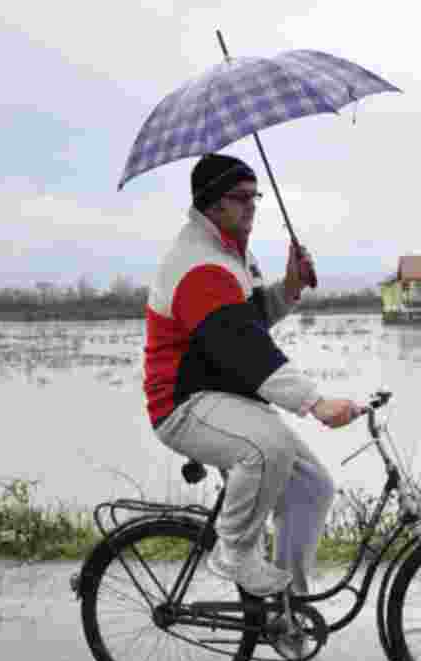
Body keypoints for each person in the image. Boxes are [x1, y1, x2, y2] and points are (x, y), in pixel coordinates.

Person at [143, 152, 362, 597]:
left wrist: (291, 286)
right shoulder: (198, 265)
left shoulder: (230, 255)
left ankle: (287, 606)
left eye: (254, 195)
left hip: (223, 396)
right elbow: (241, 345)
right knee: (268, 448)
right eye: (240, 197)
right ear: (210, 203)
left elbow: (253, 316)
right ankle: (234, 550)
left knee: (311, 488)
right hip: (183, 403)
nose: (252, 206)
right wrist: (314, 403)